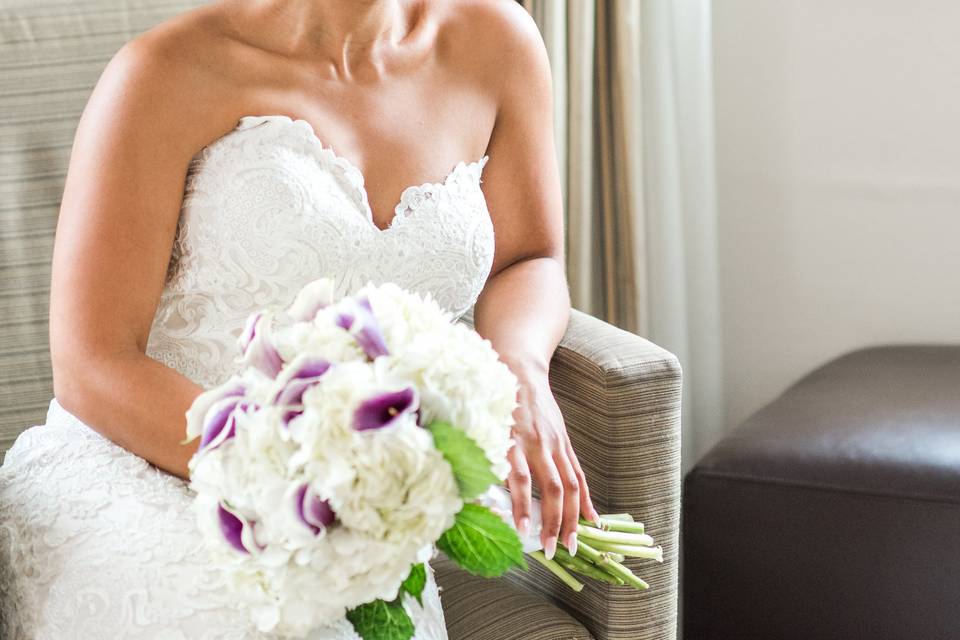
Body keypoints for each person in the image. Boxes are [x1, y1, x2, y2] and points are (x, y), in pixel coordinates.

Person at [0, 0, 600, 637]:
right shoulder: (163, 73)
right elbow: (92, 363)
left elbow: (530, 258)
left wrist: (522, 372)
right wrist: (299, 478)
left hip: (360, 498)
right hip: (146, 467)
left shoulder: (496, 40)